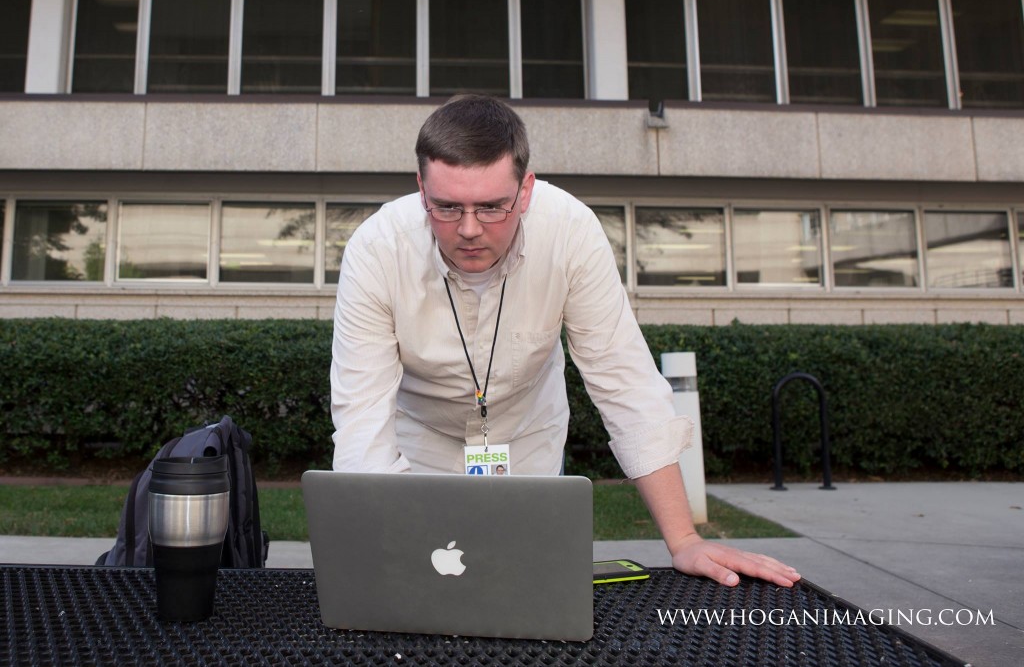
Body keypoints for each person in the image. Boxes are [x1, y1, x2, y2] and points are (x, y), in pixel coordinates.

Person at [330, 94, 799, 589]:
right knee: (417, 587)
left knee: (521, 588)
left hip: (528, 436)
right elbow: (362, 417)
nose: (468, 229)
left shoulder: (571, 232)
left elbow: (625, 383)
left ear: (526, 190)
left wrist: (684, 540)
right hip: (418, 440)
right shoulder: (376, 249)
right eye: (447, 207)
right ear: (421, 189)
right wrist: (378, 549)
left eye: (492, 207)